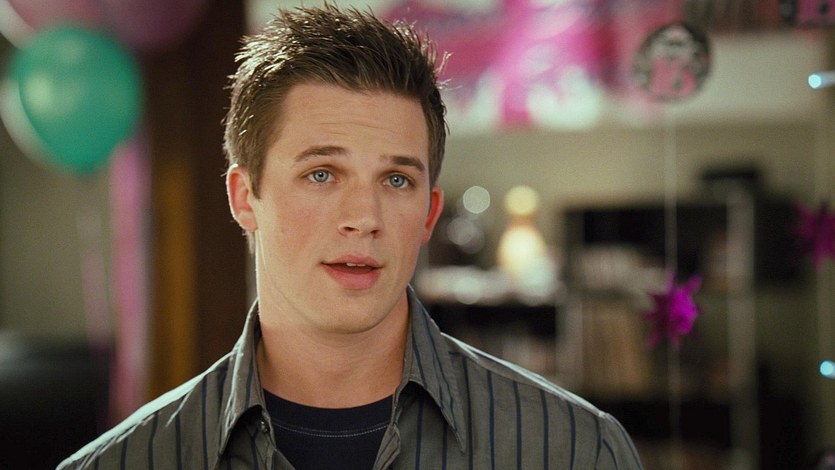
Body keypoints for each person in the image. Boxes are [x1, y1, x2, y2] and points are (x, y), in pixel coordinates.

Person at [59, 4, 644, 469]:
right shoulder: (126, 461)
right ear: (244, 198)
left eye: (396, 179)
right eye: (322, 174)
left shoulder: (575, 450)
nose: (364, 217)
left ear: (429, 214)